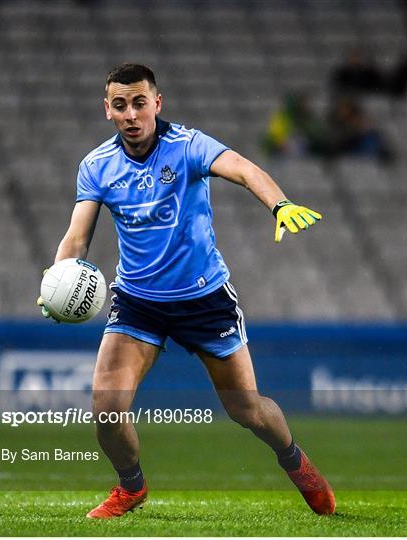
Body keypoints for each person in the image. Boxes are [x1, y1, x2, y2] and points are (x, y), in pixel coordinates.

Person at [38, 63, 335, 519]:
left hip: (204, 300)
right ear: (108, 110)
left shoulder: (189, 146)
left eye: (140, 103)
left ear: (157, 103)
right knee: (106, 407)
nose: (132, 114)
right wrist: (56, 278)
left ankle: (295, 461)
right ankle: (131, 487)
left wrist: (279, 203)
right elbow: (77, 238)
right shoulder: (97, 166)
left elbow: (242, 168)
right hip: (138, 303)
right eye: (121, 105)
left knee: (247, 410)